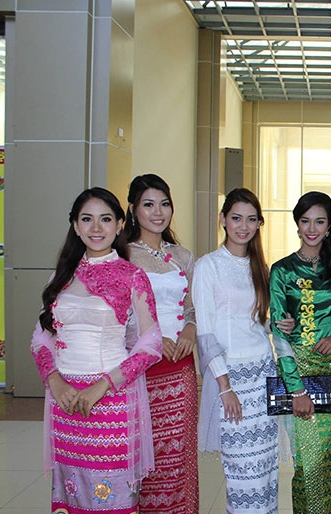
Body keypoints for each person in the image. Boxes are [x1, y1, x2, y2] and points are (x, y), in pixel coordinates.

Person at [30, 187, 162, 513]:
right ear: (75, 226)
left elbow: (151, 344)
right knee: (72, 498)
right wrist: (55, 381)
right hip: (65, 401)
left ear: (119, 224)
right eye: (86, 219)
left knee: (110, 499)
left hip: (111, 401)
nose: (96, 228)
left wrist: (102, 385)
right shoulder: (60, 277)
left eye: (105, 219)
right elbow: (41, 339)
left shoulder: (133, 276)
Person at [193, 188, 292, 514]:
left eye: (251, 219)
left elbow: (255, 322)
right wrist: (224, 386)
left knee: (266, 470)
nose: (243, 226)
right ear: (223, 219)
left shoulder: (259, 266)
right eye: (236, 218)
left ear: (259, 223)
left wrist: (277, 325)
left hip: (264, 374)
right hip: (232, 378)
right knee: (242, 475)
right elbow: (206, 332)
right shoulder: (208, 266)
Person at [269, 191, 331, 513]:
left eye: (319, 221)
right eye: (306, 221)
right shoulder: (282, 271)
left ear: (329, 226)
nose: (312, 229)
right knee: (307, 463)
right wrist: (296, 390)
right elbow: (279, 335)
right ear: (297, 224)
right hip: (300, 371)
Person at [125, 174, 198, 513]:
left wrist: (190, 329)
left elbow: (192, 306)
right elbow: (118, 317)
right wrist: (152, 339)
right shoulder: (122, 255)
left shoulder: (183, 256)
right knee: (144, 456)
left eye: (164, 204)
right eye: (148, 204)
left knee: (178, 456)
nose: (158, 212)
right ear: (133, 209)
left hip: (181, 366)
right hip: (141, 369)